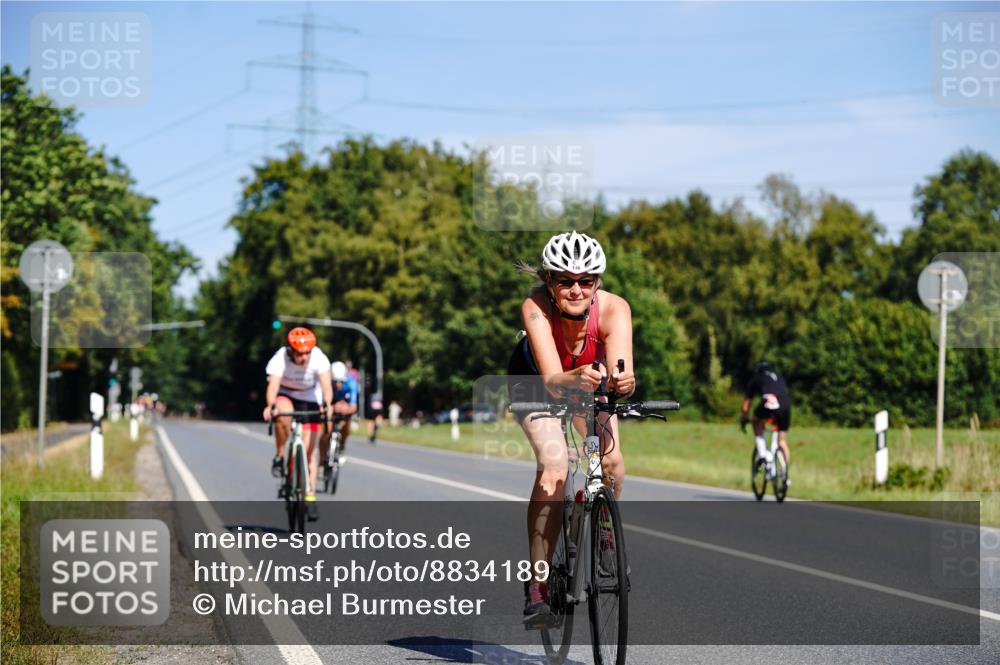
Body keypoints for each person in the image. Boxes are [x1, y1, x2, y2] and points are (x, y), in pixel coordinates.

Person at [507, 231, 636, 626]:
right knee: (555, 467)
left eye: (586, 281)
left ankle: (602, 528)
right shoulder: (535, 306)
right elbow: (551, 380)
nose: (576, 289)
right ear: (549, 281)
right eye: (565, 280)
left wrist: (622, 382)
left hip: (587, 381)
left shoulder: (614, 309)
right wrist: (575, 376)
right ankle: (539, 585)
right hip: (536, 382)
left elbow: (620, 368)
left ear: (597, 282)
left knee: (610, 462)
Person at [263, 327, 333, 521]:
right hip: (286, 393)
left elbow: (327, 387)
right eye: (299, 354)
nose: (303, 358)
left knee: (310, 452)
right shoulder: (280, 358)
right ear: (291, 351)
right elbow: (273, 387)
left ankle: (310, 496)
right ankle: (280, 454)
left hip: (310, 397)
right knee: (282, 415)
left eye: (306, 354)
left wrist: (327, 406)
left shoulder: (319, 358)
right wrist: (272, 406)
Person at [740, 361, 792, 483]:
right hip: (785, 404)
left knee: (756, 421)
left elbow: (746, 404)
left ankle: (763, 454)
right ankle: (785, 473)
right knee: (782, 441)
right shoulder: (778, 376)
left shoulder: (756, 378)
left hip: (769, 401)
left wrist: (744, 418)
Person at [324, 360, 358, 464]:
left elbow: (353, 406)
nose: (338, 385)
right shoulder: (326, 383)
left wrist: (346, 409)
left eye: (341, 382)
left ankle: (342, 444)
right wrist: (332, 407)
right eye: (335, 382)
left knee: (346, 425)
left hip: (345, 410)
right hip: (331, 408)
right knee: (326, 429)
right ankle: (322, 456)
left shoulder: (352, 384)